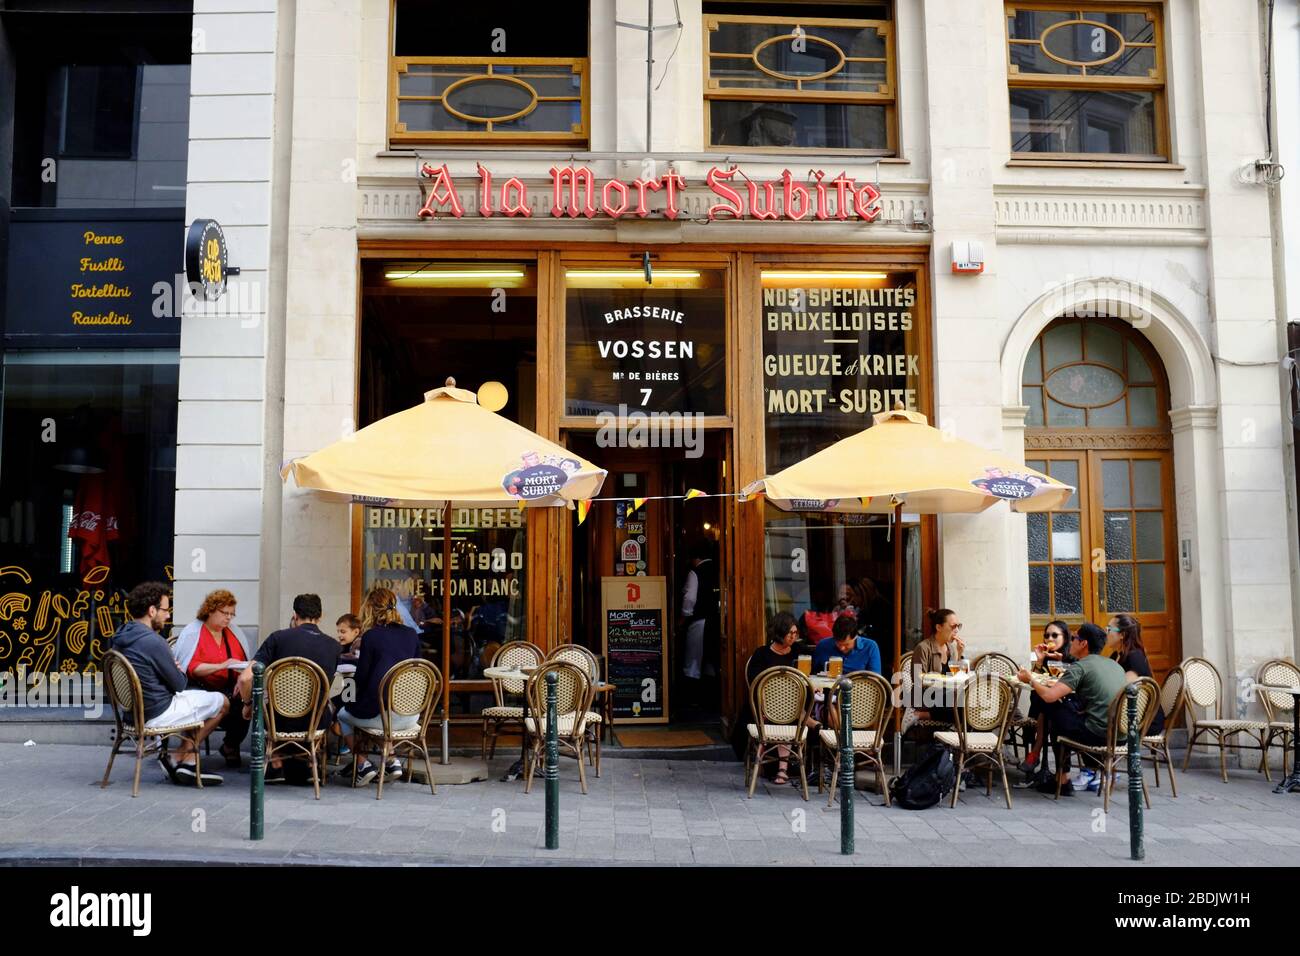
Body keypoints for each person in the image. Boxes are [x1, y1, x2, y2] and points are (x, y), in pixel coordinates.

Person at [111, 582, 226, 786]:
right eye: (165, 609)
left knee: (197, 700)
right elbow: (180, 684)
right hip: (157, 712)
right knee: (222, 702)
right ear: (151, 610)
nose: (167, 615)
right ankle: (184, 757)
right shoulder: (154, 642)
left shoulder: (120, 636)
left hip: (131, 714)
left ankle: (182, 759)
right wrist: (178, 667)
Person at [233, 594, 340, 784]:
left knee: (265, 702)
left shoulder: (278, 638)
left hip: (278, 721)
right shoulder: (334, 646)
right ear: (320, 616)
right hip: (315, 721)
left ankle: (275, 763)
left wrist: (248, 704)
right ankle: (308, 762)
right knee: (328, 704)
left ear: (294, 615)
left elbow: (245, 678)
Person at [1017, 622, 1128, 795]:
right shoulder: (1114, 665)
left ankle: (1062, 779)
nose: (1072, 640)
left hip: (1097, 735)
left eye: (1075, 637)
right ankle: (1067, 773)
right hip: (1120, 735)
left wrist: (1030, 679)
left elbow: (1049, 696)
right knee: (1060, 712)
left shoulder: (1081, 667)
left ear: (1083, 644)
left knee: (1049, 706)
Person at [338, 587, 421, 786]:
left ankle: (362, 764)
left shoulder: (371, 636)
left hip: (384, 717)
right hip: (411, 715)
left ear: (370, 609)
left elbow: (361, 680)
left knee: (343, 713)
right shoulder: (411, 634)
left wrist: (345, 693)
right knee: (376, 712)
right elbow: (417, 671)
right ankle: (391, 760)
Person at [172, 589, 252, 768]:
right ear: (210, 610)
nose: (229, 618)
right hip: (198, 686)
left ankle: (230, 746)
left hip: (228, 686)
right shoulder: (194, 632)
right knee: (215, 701)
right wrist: (222, 665)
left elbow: (242, 662)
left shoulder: (233, 633)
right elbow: (190, 668)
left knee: (247, 701)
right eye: (225, 613)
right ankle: (188, 749)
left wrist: (241, 680)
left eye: (232, 614)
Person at [746, 612, 818, 786]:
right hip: (766, 708)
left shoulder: (800, 652)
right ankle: (783, 769)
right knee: (784, 714)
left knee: (789, 712)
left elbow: (811, 675)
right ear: (779, 632)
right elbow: (756, 683)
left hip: (795, 704)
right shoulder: (762, 654)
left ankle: (785, 768)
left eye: (796, 633)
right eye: (790, 633)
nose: (794, 637)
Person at [1017, 620, 1072, 780]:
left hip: (1066, 704)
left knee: (1046, 709)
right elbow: (1034, 682)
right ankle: (1038, 756)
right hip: (1045, 702)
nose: (1050, 639)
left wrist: (1061, 662)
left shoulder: (1070, 657)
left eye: (1055, 635)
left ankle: (1035, 752)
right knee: (1044, 706)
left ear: (1065, 637)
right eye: (1047, 635)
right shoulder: (1047, 657)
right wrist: (1040, 661)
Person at [1107, 614, 1164, 736]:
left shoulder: (1134, 657)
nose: (1106, 633)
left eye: (1109, 629)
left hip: (1144, 720)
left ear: (1122, 635)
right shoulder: (1115, 656)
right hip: (1125, 715)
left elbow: (1121, 689)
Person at [680, 539, 720, 709]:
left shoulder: (695, 572)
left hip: (699, 622)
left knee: (693, 661)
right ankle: (712, 699)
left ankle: (693, 699)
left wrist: (683, 617)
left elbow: (690, 598)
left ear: (694, 557)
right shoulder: (720, 568)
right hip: (718, 620)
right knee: (712, 659)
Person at [909, 608, 966, 722]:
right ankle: (916, 713)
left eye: (958, 626)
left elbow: (956, 677)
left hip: (946, 694)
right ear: (938, 627)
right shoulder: (923, 648)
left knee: (969, 701)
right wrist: (941, 681)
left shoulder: (952, 649)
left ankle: (922, 715)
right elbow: (918, 679)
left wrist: (960, 654)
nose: (956, 631)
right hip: (925, 695)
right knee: (961, 703)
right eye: (952, 626)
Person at [813, 613, 882, 676]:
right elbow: (814, 673)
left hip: (858, 688)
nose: (842, 648)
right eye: (838, 643)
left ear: (855, 637)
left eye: (846, 644)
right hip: (828, 687)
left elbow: (875, 678)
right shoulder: (823, 645)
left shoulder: (870, 646)